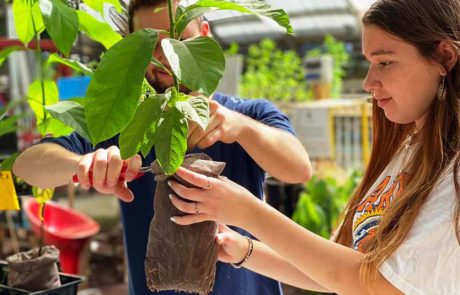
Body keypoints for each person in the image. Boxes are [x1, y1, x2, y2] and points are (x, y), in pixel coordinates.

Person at [12, 0, 312, 294]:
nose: (167, 57)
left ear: (204, 33)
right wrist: (80, 165)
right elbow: (28, 166)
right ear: (131, 46)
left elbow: (299, 169)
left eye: (180, 40)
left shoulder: (247, 114)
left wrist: (241, 128)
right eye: (151, 45)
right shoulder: (122, 123)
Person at [167, 0, 460, 294]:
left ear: (444, 57)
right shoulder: (410, 148)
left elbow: (376, 285)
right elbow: (337, 269)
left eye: (384, 62)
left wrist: (248, 212)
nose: (369, 82)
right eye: (370, 63)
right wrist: (244, 249)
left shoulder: (453, 169)